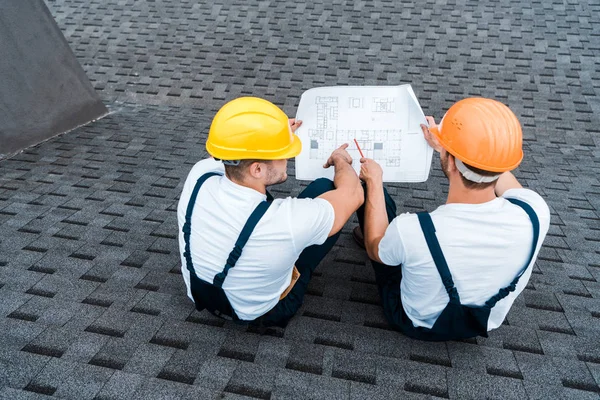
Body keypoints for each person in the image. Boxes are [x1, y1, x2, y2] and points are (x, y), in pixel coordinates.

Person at [355, 97, 550, 341]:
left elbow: (375, 248)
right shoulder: (535, 212)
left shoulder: (413, 230)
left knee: (379, 228)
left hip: (416, 321)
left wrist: (374, 181)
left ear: (451, 160)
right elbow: (491, 167)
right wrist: (450, 148)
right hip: (483, 322)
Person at [177, 96, 363, 327]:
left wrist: (274, 136)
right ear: (257, 169)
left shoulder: (200, 175)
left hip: (201, 294)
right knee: (328, 188)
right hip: (261, 311)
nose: (288, 157)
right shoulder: (286, 220)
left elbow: (225, 151)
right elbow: (353, 195)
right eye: (283, 153)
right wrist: (341, 161)